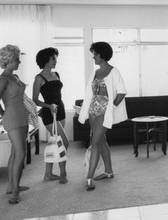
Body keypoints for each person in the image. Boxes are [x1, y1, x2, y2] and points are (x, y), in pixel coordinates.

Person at [78, 41, 128, 191]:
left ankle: (89, 177)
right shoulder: (95, 73)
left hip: (105, 111)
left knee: (95, 143)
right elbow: (90, 93)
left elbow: (122, 91)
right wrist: (84, 108)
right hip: (93, 110)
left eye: (95, 54)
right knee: (101, 141)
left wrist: (111, 107)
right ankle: (109, 171)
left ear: (101, 55)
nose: (93, 57)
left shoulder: (114, 71)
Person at [0, 45, 29, 204]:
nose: (19, 62)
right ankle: (14, 193)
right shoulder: (3, 79)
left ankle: (11, 186)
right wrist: (4, 114)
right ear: (8, 61)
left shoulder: (15, 77)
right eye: (16, 59)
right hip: (12, 118)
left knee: (15, 153)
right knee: (20, 154)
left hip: (22, 117)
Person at [33, 47, 69, 184]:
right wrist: (48, 106)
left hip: (60, 110)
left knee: (55, 143)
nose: (55, 61)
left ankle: (48, 174)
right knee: (64, 142)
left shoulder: (56, 74)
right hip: (50, 113)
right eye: (53, 58)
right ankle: (63, 173)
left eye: (56, 58)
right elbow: (35, 99)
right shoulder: (39, 78)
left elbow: (57, 94)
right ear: (45, 60)